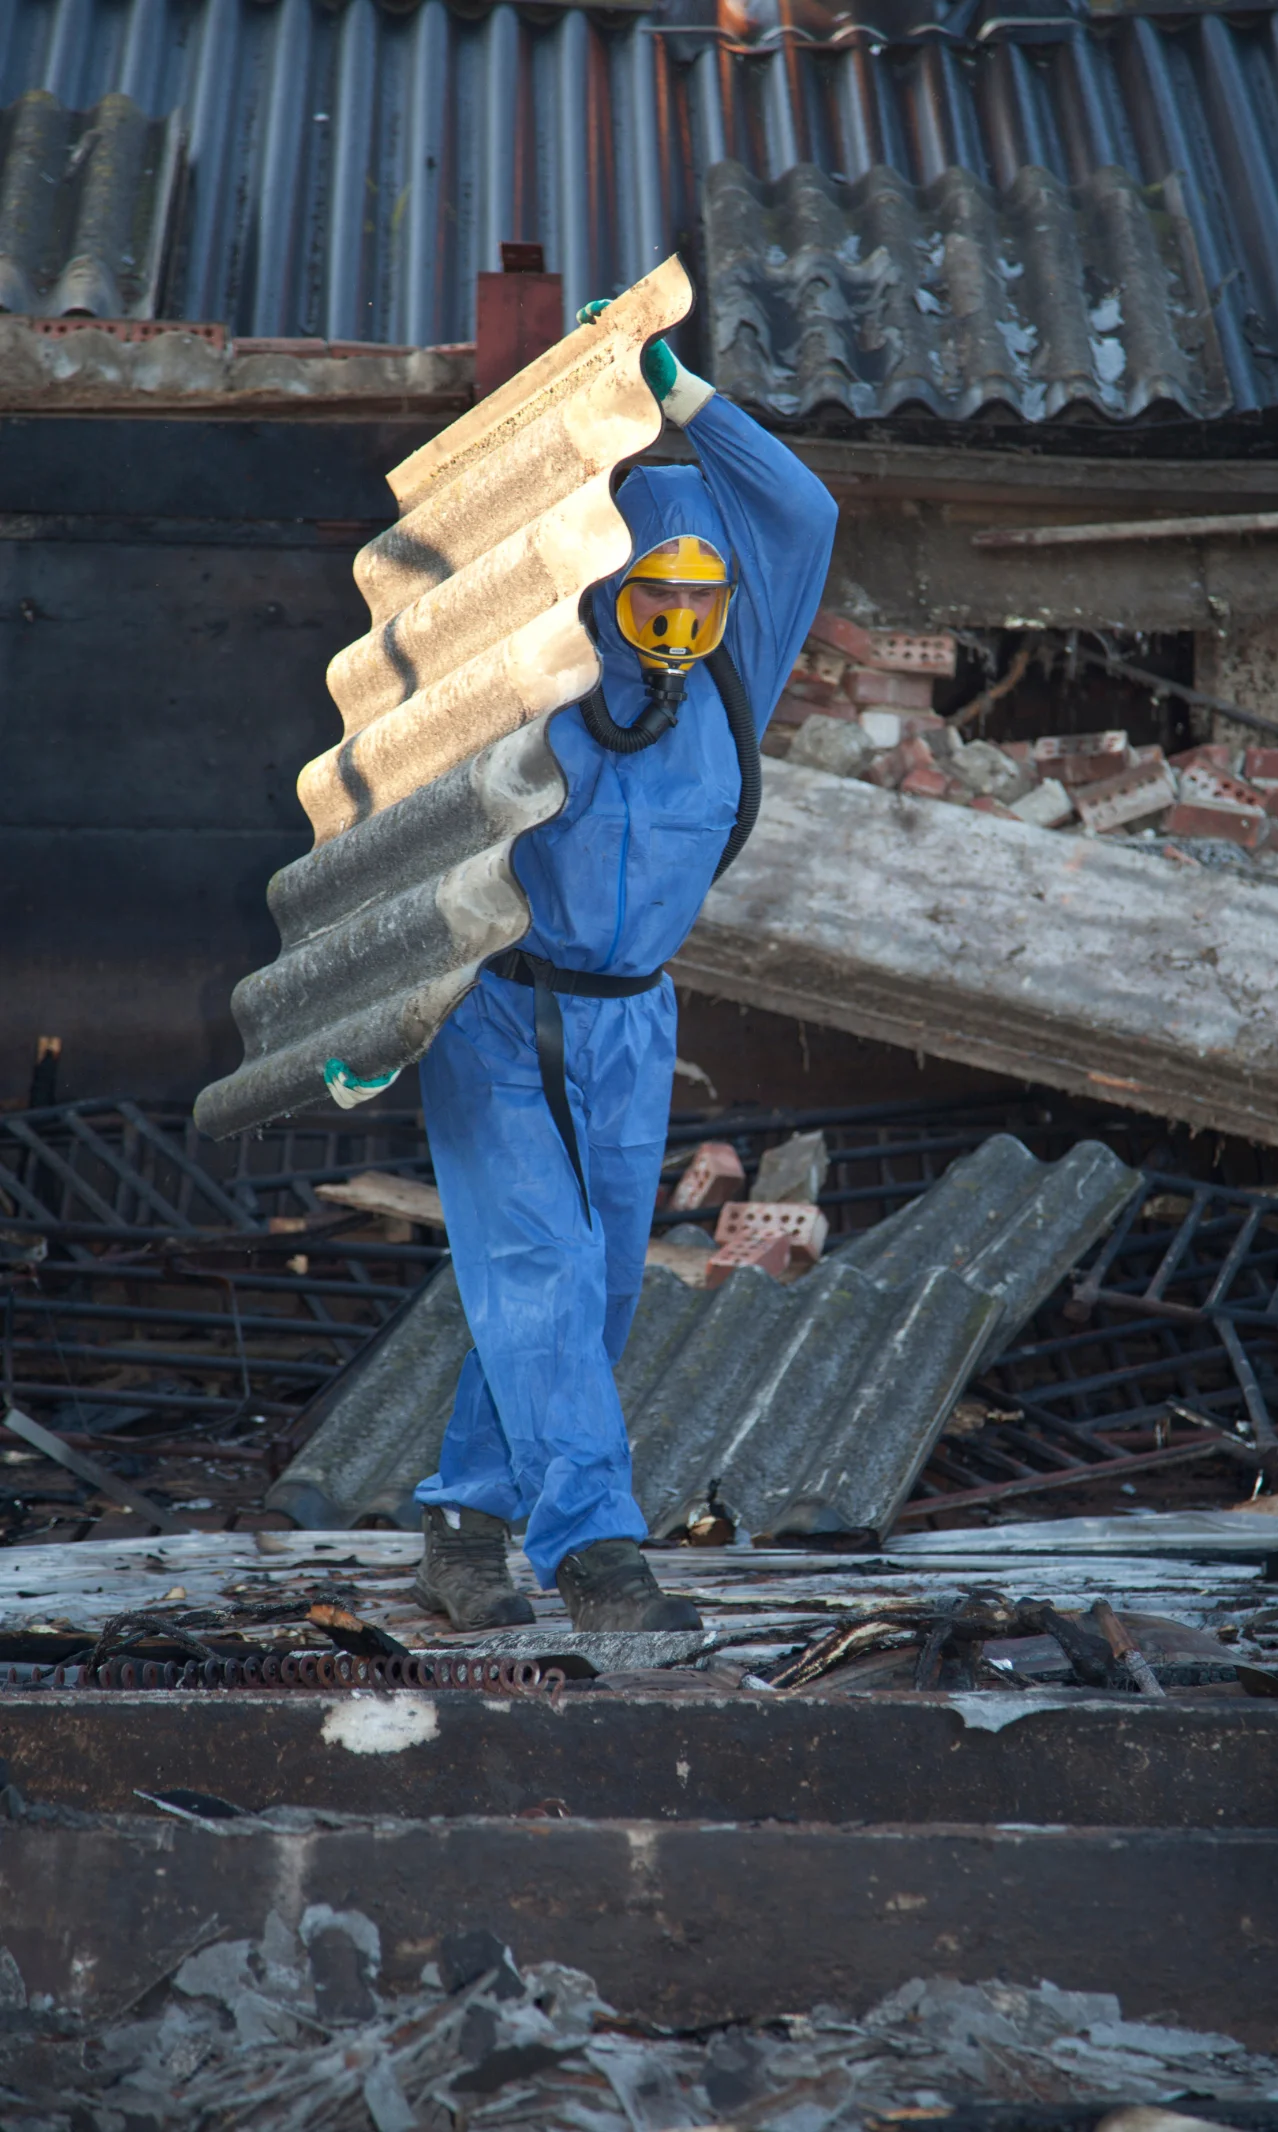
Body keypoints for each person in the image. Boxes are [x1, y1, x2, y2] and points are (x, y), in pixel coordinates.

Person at [400, 308, 838, 1630]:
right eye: (658, 601)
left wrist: (686, 396)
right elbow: (405, 825)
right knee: (534, 1266)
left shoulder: (731, 680)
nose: (683, 634)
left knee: (586, 1289)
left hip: (629, 1026)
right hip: (493, 1008)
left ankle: (465, 1524)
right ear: (610, 588)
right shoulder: (538, 669)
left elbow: (803, 517)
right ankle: (599, 1559)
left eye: (707, 608)